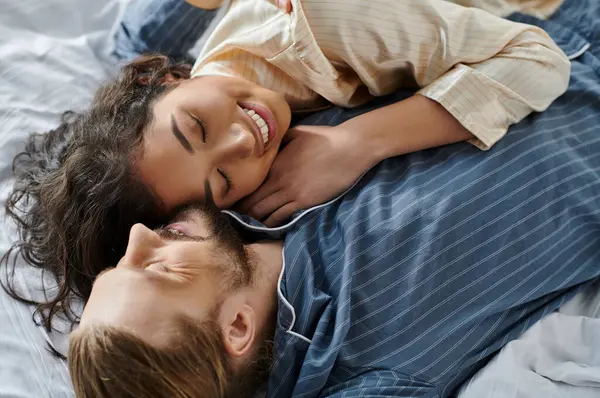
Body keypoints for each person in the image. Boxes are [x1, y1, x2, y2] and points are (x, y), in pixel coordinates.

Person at [2, 0, 570, 333]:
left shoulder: (320, 31)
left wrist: (359, 143)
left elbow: (540, 58)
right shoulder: (239, 167)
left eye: (196, 128)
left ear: (167, 79)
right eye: (222, 180)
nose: (241, 141)